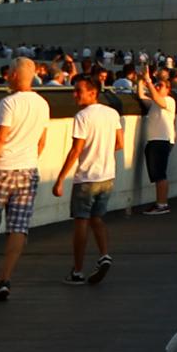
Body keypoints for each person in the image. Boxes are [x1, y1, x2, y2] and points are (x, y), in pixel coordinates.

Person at [0, 58, 52, 301]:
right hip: (28, 171)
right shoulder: (42, 103)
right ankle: (4, 278)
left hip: (1, 170)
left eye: (9, 73)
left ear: (15, 75)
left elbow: (0, 139)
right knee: (18, 227)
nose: (6, 76)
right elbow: (41, 141)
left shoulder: (8, 102)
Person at [53, 73, 121, 285]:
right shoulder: (112, 114)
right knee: (97, 219)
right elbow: (119, 143)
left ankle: (78, 270)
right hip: (107, 175)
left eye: (78, 91)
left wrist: (60, 178)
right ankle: (104, 254)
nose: (75, 95)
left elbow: (76, 150)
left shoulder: (82, 117)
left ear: (93, 93)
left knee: (81, 222)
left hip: (86, 178)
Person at [140, 67, 177, 213]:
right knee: (157, 174)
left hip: (161, 140)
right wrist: (140, 80)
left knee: (160, 174)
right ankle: (161, 203)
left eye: (160, 85)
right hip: (156, 140)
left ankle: (162, 204)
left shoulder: (169, 100)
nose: (157, 87)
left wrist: (148, 80)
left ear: (168, 89)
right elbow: (142, 96)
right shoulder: (155, 103)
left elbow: (156, 98)